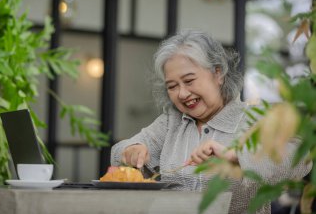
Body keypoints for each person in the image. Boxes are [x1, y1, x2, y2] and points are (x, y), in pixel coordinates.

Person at [110, 29, 312, 214]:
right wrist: (132, 150)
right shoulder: (172, 122)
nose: (182, 93)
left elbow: (301, 158)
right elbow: (120, 152)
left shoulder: (255, 117)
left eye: (189, 81)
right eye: (172, 86)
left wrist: (236, 157)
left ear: (218, 74)